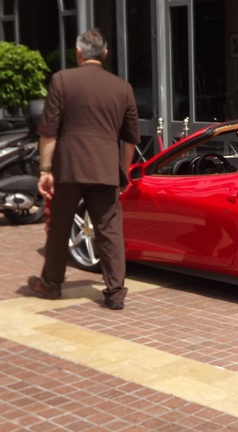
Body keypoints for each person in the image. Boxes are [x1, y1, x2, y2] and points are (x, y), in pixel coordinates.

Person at [27, 29, 140, 310]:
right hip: (104, 169)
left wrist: (44, 169)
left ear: (79, 53)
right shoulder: (122, 87)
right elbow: (130, 139)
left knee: (59, 227)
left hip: (69, 168)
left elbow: (49, 132)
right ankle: (115, 291)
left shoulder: (62, 80)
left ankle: (51, 284)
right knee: (109, 230)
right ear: (105, 54)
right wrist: (123, 172)